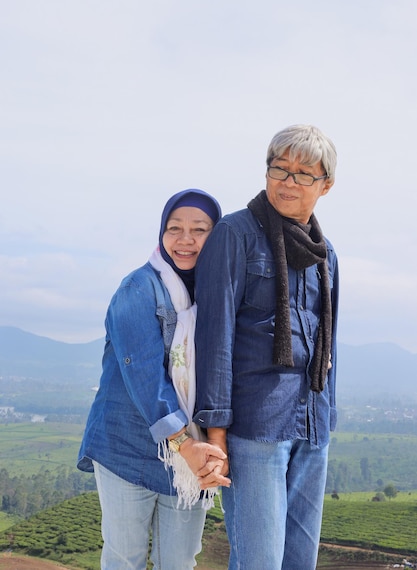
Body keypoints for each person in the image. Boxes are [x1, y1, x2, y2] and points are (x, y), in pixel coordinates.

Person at [193, 125, 339, 570]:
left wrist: (327, 418)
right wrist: (215, 429)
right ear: (267, 170)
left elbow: (328, 342)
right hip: (256, 428)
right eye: (280, 168)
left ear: (325, 185)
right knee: (259, 562)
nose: (288, 182)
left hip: (312, 427)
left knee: (300, 561)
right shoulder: (235, 234)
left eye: (303, 174)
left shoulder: (324, 253)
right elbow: (215, 335)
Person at [77, 188, 230, 570]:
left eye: (200, 229)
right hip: (127, 448)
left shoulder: (217, 296)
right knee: (124, 559)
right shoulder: (138, 289)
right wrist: (184, 443)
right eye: (174, 228)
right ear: (161, 233)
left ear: (217, 236)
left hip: (190, 459)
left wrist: (213, 444)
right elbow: (143, 372)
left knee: (178, 562)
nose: (185, 239)